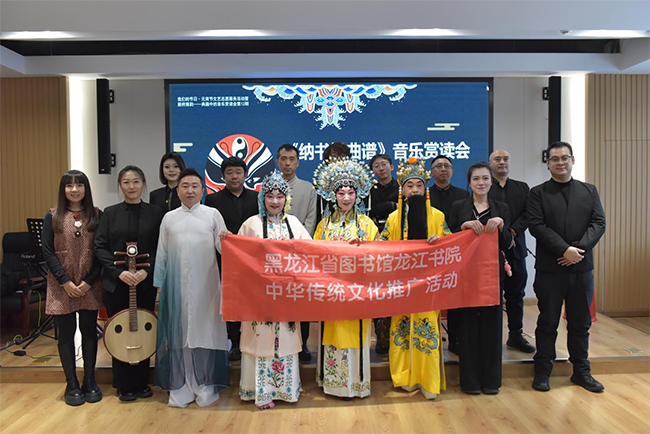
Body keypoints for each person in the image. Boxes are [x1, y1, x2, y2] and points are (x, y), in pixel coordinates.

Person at [529, 142, 606, 393]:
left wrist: (577, 251)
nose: (560, 163)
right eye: (555, 159)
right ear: (548, 163)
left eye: (565, 158)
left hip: (581, 269)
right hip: (550, 269)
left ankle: (581, 372)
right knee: (547, 322)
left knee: (580, 323)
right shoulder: (538, 193)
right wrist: (564, 250)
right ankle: (543, 371)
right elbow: (537, 226)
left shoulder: (589, 190)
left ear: (573, 160)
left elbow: (598, 223)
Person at [153, 168, 230, 407]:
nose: (190, 190)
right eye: (185, 186)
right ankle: (181, 387)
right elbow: (162, 253)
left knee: (205, 335)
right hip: (176, 288)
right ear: (177, 191)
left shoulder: (212, 215)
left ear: (203, 190)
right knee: (180, 337)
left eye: (195, 186)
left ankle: (205, 386)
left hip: (207, 287)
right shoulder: (169, 218)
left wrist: (228, 240)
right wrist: (159, 286)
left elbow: (224, 248)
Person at [238, 171, 312, 409]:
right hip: (259, 296)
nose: (275, 201)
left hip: (287, 295)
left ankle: (286, 390)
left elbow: (309, 252)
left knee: (286, 340)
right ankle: (260, 392)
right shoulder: (251, 224)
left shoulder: (294, 223)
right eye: (270, 196)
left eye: (280, 196)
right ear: (262, 198)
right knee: (259, 340)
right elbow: (239, 256)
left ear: (286, 199)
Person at [380, 157, 450, 400]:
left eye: (419, 185)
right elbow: (380, 247)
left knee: (426, 329)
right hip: (400, 283)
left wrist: (439, 242)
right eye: (409, 186)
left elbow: (451, 246)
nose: (415, 190)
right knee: (401, 330)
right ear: (402, 190)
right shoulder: (393, 218)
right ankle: (405, 377)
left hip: (428, 284)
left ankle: (428, 379)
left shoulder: (438, 216)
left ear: (426, 188)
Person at [95, 165, 163, 401]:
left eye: (136, 181)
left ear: (143, 184)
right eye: (126, 182)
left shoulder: (155, 212)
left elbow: (160, 247)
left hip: (144, 283)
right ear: (120, 185)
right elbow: (100, 247)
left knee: (142, 330)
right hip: (117, 284)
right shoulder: (109, 213)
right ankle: (123, 383)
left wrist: (146, 271)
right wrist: (118, 272)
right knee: (119, 331)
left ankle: (142, 381)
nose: (131, 186)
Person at [313, 157, 378, 399]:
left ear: (358, 194)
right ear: (333, 195)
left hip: (356, 290)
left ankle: (356, 384)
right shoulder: (324, 225)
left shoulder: (366, 224)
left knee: (355, 335)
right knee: (332, 334)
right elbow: (314, 256)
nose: (346, 198)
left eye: (351, 192)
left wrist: (363, 248)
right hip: (332, 291)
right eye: (341, 193)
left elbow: (378, 255)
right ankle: (332, 383)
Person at [447, 162, 511, 395]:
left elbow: (508, 244)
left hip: (492, 274)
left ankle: (491, 381)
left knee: (492, 325)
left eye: (485, 178)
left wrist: (501, 226)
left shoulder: (501, 207)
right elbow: (448, 240)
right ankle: (470, 382)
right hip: (466, 273)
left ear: (492, 182)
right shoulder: (458, 206)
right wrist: (462, 227)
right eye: (476, 179)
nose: (481, 183)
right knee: (467, 326)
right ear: (469, 182)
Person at [42, 170, 104, 406]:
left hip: (90, 283)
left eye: (80, 185)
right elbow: (47, 252)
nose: (75, 189)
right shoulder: (52, 215)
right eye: (70, 186)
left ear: (86, 189)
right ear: (63, 189)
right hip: (62, 285)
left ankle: (90, 380)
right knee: (66, 335)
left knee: (89, 332)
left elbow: (101, 250)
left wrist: (88, 281)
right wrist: (65, 282)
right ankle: (72, 383)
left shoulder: (97, 215)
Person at [204, 156, 258, 361]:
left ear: (245, 174)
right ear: (222, 176)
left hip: (253, 259)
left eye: (238, 172)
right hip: (225, 258)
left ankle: (252, 338)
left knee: (253, 298)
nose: (234, 176)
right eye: (229, 173)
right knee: (232, 299)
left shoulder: (257, 198)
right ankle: (234, 342)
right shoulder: (213, 200)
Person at [488, 149, 536, 353]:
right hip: (490, 251)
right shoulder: (485, 187)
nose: (502, 162)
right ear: (490, 163)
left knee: (516, 295)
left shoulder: (522, 187)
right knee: (491, 297)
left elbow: (528, 213)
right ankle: (491, 338)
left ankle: (515, 335)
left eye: (505, 159)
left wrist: (513, 231)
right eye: (497, 159)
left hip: (516, 250)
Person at [276, 144, 318, 362]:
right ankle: (281, 342)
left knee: (303, 300)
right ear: (277, 161)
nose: (287, 163)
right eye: (283, 159)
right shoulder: (271, 187)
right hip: (276, 255)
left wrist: (299, 245)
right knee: (279, 299)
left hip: (301, 253)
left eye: (291, 159)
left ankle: (304, 344)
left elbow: (311, 219)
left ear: (298, 162)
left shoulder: (308, 188)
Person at [428, 155, 469, 354]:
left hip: (455, 253)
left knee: (455, 297)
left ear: (452, 170)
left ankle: (456, 340)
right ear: (431, 172)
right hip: (430, 254)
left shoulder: (463, 194)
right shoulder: (425, 195)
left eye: (447, 166)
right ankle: (431, 338)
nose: (443, 169)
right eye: (438, 166)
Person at [368, 154, 399, 355]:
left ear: (392, 167)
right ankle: (381, 337)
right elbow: (369, 213)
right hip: (376, 244)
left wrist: (384, 210)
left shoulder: (402, 186)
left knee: (397, 291)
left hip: (399, 244)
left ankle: (397, 336)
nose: (381, 168)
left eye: (384, 164)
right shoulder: (370, 191)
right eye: (376, 166)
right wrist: (391, 206)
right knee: (377, 291)